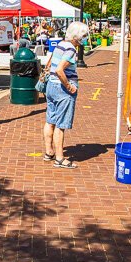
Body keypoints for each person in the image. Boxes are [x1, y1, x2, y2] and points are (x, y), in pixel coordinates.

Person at [43, 21, 90, 169]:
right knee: (60, 124)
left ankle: (49, 152)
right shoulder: (71, 50)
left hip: (50, 86)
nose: (85, 39)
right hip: (61, 88)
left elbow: (50, 65)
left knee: (50, 119)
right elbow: (59, 70)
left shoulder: (61, 44)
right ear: (78, 37)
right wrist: (69, 86)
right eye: (84, 36)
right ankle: (59, 158)